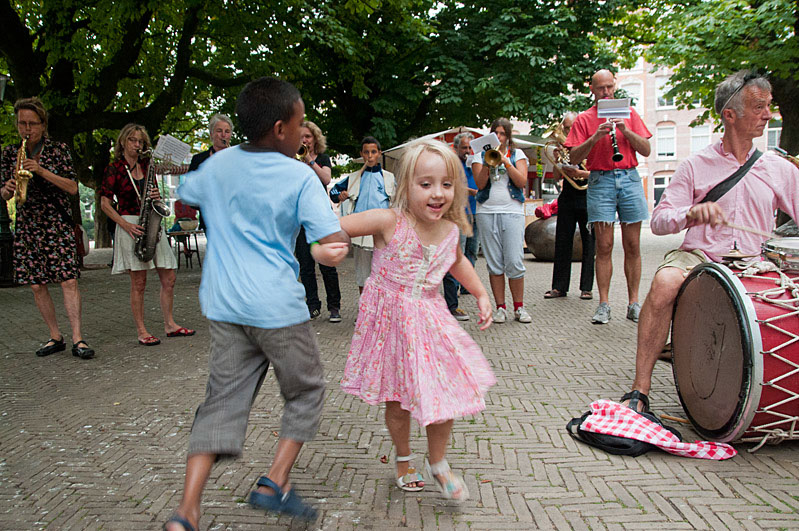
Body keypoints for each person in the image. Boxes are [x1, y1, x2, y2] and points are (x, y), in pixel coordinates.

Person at [162, 77, 350, 531]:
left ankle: (186, 511)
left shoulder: (219, 166)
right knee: (306, 391)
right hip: (277, 308)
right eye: (301, 125)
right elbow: (330, 239)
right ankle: (274, 483)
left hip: (226, 306)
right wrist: (336, 245)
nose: (305, 137)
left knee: (220, 403)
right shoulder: (299, 176)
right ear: (282, 128)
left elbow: (186, 192)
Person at [623, 70, 799, 413]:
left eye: (769, 106)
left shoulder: (780, 169)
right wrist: (691, 212)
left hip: (755, 259)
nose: (767, 114)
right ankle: (639, 390)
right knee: (663, 282)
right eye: (758, 106)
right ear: (729, 115)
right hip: (699, 256)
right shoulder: (695, 165)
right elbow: (658, 222)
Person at [339, 139, 495, 501]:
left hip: (430, 319)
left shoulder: (450, 230)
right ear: (405, 186)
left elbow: (457, 261)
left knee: (448, 391)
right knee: (398, 400)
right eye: (425, 184)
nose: (437, 193)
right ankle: (404, 459)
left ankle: (438, 463)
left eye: (446, 183)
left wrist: (483, 293)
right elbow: (333, 229)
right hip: (390, 324)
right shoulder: (387, 220)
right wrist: (324, 247)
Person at [0, 97, 94, 359]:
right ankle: (55, 336)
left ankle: (78, 338)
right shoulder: (9, 153)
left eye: (31, 123)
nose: (26, 129)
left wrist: (40, 170)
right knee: (36, 285)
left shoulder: (58, 150)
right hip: (28, 224)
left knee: (68, 279)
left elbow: (73, 187)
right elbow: (5, 194)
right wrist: (6, 190)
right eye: (21, 124)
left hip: (56, 223)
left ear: (43, 124)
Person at [565, 69, 652, 325]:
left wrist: (625, 130)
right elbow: (573, 157)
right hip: (600, 180)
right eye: (601, 88)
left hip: (629, 177)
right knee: (603, 246)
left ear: (615, 86)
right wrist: (595, 138)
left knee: (633, 245)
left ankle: (634, 302)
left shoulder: (630, 112)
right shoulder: (584, 118)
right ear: (592, 89)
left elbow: (646, 149)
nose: (606, 92)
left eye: (610, 87)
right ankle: (603, 304)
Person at [99, 124, 194, 346]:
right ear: (123, 141)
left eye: (140, 141)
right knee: (139, 282)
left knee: (169, 277)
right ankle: (142, 331)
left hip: (150, 221)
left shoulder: (147, 165)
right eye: (133, 140)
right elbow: (104, 204)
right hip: (130, 223)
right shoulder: (114, 168)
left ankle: (170, 324)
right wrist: (124, 225)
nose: (137, 145)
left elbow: (156, 198)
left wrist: (155, 195)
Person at [471, 118, 533, 324]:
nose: (499, 137)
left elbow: (522, 181)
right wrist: (489, 164)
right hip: (487, 212)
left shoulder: (518, 155)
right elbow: (480, 184)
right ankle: (500, 307)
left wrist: (506, 162)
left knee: (514, 260)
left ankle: (519, 307)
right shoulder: (480, 155)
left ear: (508, 136)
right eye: (495, 133)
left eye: (503, 133)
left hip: (512, 211)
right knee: (494, 263)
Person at [330, 136, 395, 293]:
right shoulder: (353, 177)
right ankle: (365, 311)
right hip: (361, 232)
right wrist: (340, 195)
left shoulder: (389, 178)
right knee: (363, 273)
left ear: (379, 153)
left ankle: (382, 312)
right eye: (366, 152)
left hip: (382, 232)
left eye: (373, 152)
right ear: (362, 154)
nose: (370, 156)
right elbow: (333, 191)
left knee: (384, 272)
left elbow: (400, 199)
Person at [544, 112, 595, 300]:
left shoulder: (589, 144)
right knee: (562, 240)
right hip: (568, 195)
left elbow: (596, 174)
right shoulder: (561, 147)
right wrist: (557, 162)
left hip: (588, 195)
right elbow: (557, 178)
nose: (568, 131)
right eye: (565, 128)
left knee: (589, 242)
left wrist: (580, 173)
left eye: (571, 127)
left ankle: (586, 287)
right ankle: (559, 286)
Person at [295, 120, 342, 322]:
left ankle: (334, 306)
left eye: (307, 136)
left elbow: (326, 180)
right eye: (301, 137)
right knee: (305, 265)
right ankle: (312, 305)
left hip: (320, 217)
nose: (304, 140)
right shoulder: (292, 159)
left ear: (314, 138)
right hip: (300, 218)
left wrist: (310, 161)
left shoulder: (322, 158)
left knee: (327, 264)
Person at [442, 132, 477, 320]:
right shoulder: (451, 164)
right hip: (458, 213)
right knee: (456, 256)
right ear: (456, 148)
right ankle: (451, 304)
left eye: (470, 147)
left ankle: (465, 286)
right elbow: (446, 184)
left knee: (472, 251)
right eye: (464, 147)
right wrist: (468, 191)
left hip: (476, 212)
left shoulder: (476, 162)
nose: (468, 151)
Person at [188, 113, 233, 232]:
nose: (223, 135)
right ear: (211, 134)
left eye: (227, 131)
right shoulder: (199, 160)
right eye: (219, 131)